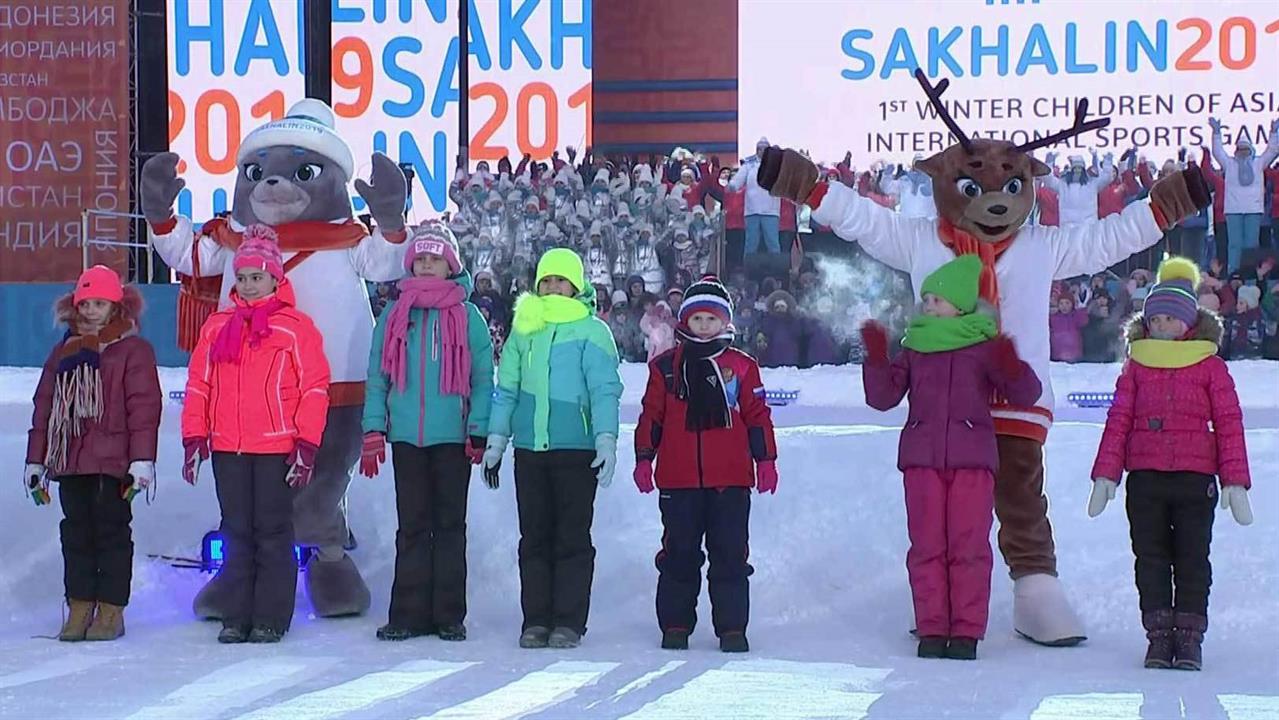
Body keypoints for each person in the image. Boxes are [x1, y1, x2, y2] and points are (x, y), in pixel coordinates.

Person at [860, 256, 1041, 660]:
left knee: (968, 545)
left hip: (972, 460)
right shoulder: (915, 347)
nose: (928, 306)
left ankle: (965, 630)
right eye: (926, 299)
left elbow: (1026, 393)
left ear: (959, 305)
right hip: (921, 460)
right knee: (926, 545)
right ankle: (931, 627)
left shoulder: (983, 348)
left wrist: (1011, 364)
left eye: (936, 300)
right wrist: (875, 359)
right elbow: (883, 397)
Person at [1087, 257, 1252, 671]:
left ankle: (1190, 636)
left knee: (1193, 558)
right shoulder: (1137, 366)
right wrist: (1106, 473)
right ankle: (1159, 635)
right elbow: (1119, 419)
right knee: (1151, 558)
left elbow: (1229, 422)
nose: (1161, 326)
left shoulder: (1209, 366)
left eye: (1170, 319)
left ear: (1188, 322)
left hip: (1195, 480)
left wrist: (1234, 480)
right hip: (1146, 479)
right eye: (1155, 319)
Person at [181, 225, 332, 644]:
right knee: (236, 532)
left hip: (276, 448)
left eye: (257, 277)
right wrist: (195, 437)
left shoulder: (296, 328)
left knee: (273, 532)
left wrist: (306, 444)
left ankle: (270, 617)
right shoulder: (217, 327)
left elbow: (314, 387)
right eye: (243, 277)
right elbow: (199, 385)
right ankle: (236, 615)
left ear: (275, 279)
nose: (248, 285)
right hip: (228, 447)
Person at [482, 249, 623, 649]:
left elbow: (604, 390)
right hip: (530, 450)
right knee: (534, 537)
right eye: (547, 280)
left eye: (561, 280)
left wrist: (605, 439)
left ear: (576, 286)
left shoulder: (592, 331)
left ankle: (568, 621)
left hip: (575, 450)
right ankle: (536, 620)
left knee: (572, 537)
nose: (553, 287)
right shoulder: (524, 328)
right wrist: (497, 441)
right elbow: (506, 390)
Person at [361, 222, 494, 642]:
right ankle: (408, 613)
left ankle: (448, 615)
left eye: (435, 258)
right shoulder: (395, 314)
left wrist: (478, 429)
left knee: (450, 527)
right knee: (412, 527)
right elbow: (378, 376)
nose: (426, 265)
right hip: (407, 438)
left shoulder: (468, 316)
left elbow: (483, 378)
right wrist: (373, 427)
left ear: (451, 265)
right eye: (420, 258)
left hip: (453, 438)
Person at [633, 276, 778, 653]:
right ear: (685, 321)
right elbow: (652, 417)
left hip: (730, 480)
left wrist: (766, 460)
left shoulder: (741, 366)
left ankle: (732, 628)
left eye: (711, 319)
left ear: (724, 321)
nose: (703, 326)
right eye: (696, 319)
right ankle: (675, 624)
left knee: (730, 555)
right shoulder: (666, 367)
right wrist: (644, 457)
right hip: (678, 480)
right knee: (679, 554)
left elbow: (758, 416)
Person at [25, 266, 162, 642]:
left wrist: (142, 459)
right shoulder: (63, 352)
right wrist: (36, 459)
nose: (90, 311)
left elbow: (144, 408)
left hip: (112, 463)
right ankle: (80, 606)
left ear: (116, 306)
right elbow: (44, 406)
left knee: (111, 535)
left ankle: (111, 611)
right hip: (70, 461)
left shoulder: (133, 350)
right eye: (84, 303)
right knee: (76, 535)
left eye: (99, 303)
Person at [1209, 117, 1279, 271]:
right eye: (1240, 149)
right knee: (1234, 244)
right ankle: (1233, 271)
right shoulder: (1229, 164)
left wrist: (1274, 132)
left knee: (1251, 244)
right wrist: (1216, 133)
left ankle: (1249, 273)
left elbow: (1272, 151)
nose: (1243, 152)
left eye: (1246, 149)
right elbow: (1218, 152)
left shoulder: (1258, 163)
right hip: (1233, 210)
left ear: (1251, 150)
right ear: (1236, 151)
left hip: (1253, 209)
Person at [728, 137, 783, 254]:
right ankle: (749, 264)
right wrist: (733, 185)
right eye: (760, 149)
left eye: (765, 149)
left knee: (772, 242)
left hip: (770, 211)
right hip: (752, 210)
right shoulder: (749, 165)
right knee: (751, 243)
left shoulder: (776, 166)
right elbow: (738, 179)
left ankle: (776, 264)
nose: (762, 151)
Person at [1049, 295, 1088, 362]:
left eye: (1067, 303)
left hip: (1074, 355)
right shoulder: (1053, 317)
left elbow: (1084, 322)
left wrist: (1081, 309)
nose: (1064, 306)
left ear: (1072, 304)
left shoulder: (1075, 316)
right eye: (1061, 303)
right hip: (1057, 355)